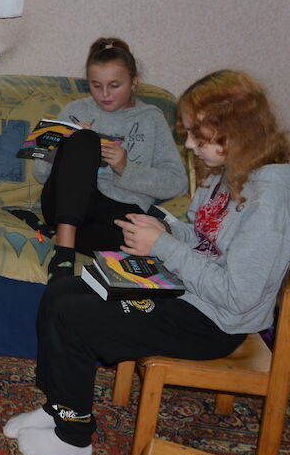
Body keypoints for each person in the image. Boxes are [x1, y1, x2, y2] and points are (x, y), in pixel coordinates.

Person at [3, 69, 290, 455]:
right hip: (187, 292)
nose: (190, 144)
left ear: (235, 131)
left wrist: (163, 245)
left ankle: (74, 436)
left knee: (74, 315)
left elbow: (239, 295)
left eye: (198, 135)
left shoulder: (271, 205)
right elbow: (205, 239)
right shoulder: (230, 174)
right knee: (62, 290)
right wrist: (166, 230)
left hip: (215, 323)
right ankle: (58, 406)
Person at [35, 37, 188, 280]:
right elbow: (40, 173)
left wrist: (126, 168)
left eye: (115, 85)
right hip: (65, 204)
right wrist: (65, 145)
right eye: (96, 86)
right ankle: (64, 252)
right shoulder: (75, 110)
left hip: (117, 212)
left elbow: (177, 183)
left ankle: (64, 236)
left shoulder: (151, 118)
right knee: (84, 139)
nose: (104, 94)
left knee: (134, 240)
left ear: (134, 82)